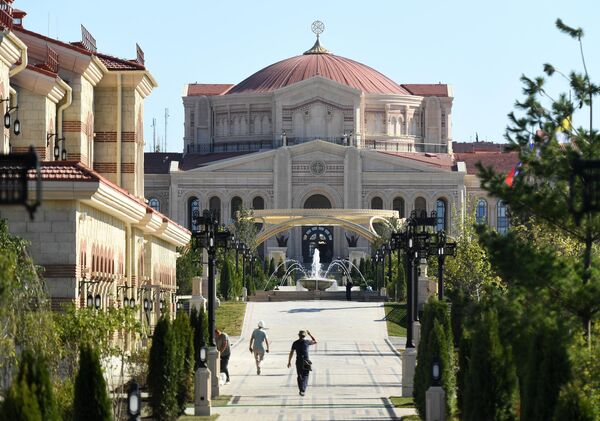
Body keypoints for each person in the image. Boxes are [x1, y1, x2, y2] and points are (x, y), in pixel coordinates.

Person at [287, 330, 317, 396]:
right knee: (306, 375)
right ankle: (303, 390)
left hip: (299, 361)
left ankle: (301, 389)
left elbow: (291, 352)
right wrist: (310, 334)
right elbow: (315, 341)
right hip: (306, 360)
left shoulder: (295, 343)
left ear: (298, 335)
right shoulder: (307, 342)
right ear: (305, 336)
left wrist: (289, 361)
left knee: (299, 375)